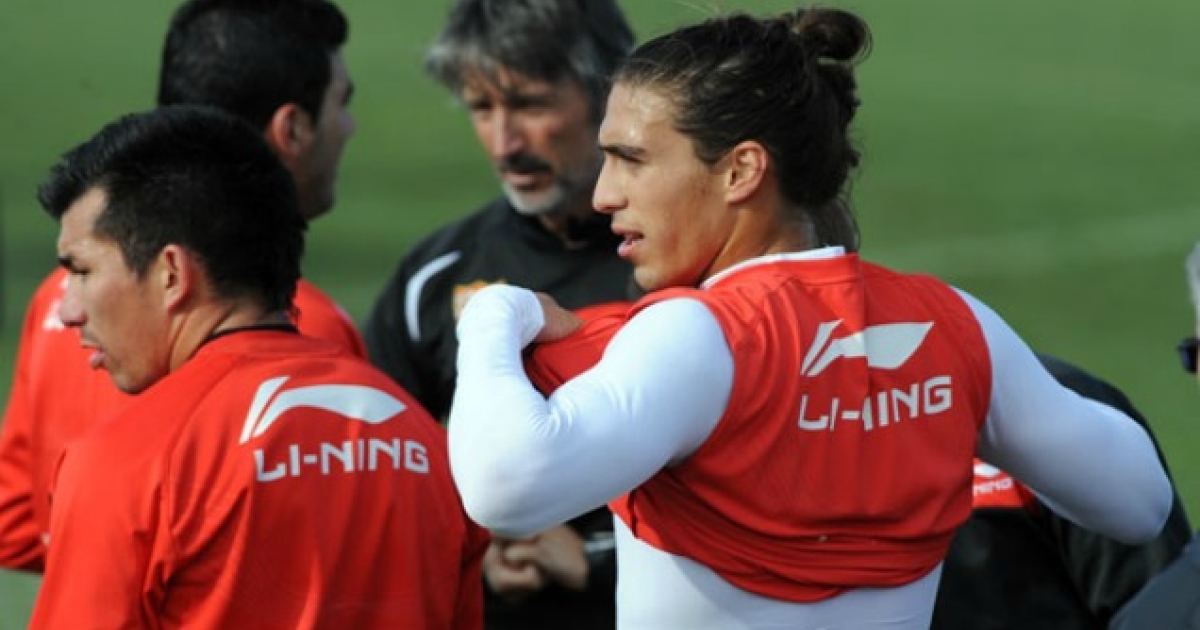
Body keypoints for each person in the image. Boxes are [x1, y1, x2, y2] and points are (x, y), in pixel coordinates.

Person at [447, 7, 1174, 629]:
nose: (605, 194)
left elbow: (505, 487)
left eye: (631, 159)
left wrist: (495, 315)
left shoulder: (696, 336)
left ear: (741, 171)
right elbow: (1139, 503)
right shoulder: (955, 326)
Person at [27, 105, 487, 629]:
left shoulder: (125, 464)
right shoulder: (427, 444)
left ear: (172, 273)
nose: (69, 309)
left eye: (81, 271)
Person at [0, 0, 363, 574]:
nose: (349, 127)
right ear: (291, 128)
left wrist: (94, 557)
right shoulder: (302, 335)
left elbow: (17, 520)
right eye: (342, 103)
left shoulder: (58, 293)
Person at [363, 1, 634, 627]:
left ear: (609, 97)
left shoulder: (683, 266)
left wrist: (597, 560)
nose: (505, 142)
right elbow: (376, 477)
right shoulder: (433, 276)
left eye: (531, 105)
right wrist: (471, 546)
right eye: (482, 108)